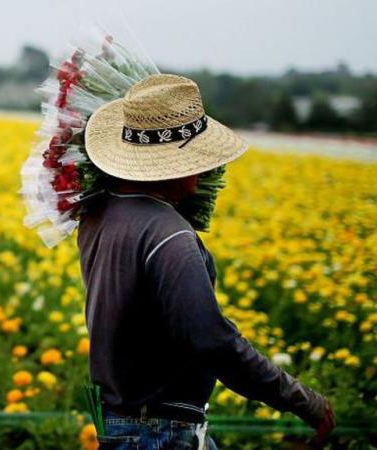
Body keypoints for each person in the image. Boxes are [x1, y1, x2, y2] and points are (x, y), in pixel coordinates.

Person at [77, 74, 335, 449]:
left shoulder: (98, 213)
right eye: (197, 157)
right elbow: (213, 341)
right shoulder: (170, 236)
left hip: (125, 423)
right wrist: (302, 400)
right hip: (161, 434)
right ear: (172, 164)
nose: (204, 170)